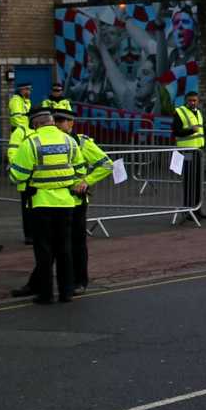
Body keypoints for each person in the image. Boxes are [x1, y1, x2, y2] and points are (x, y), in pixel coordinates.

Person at [9, 106, 83, 304]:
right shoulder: (69, 140)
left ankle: (46, 294)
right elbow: (80, 169)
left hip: (41, 202)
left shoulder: (31, 143)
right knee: (64, 249)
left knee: (44, 250)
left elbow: (17, 174)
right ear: (51, 121)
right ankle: (66, 292)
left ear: (35, 124)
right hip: (66, 202)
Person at [60, 109, 113, 295]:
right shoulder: (52, 142)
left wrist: (86, 181)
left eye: (63, 121)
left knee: (77, 243)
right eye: (56, 121)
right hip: (55, 201)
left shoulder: (81, 142)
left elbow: (107, 164)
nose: (59, 124)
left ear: (71, 123)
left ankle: (80, 281)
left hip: (75, 201)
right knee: (52, 243)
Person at [172, 90, 206, 217]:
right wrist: (190, 131)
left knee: (198, 181)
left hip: (198, 151)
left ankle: (197, 210)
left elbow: (202, 130)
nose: (193, 103)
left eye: (195, 100)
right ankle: (187, 210)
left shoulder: (198, 112)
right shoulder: (180, 112)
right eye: (190, 100)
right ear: (186, 100)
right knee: (189, 182)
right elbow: (176, 131)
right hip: (187, 151)